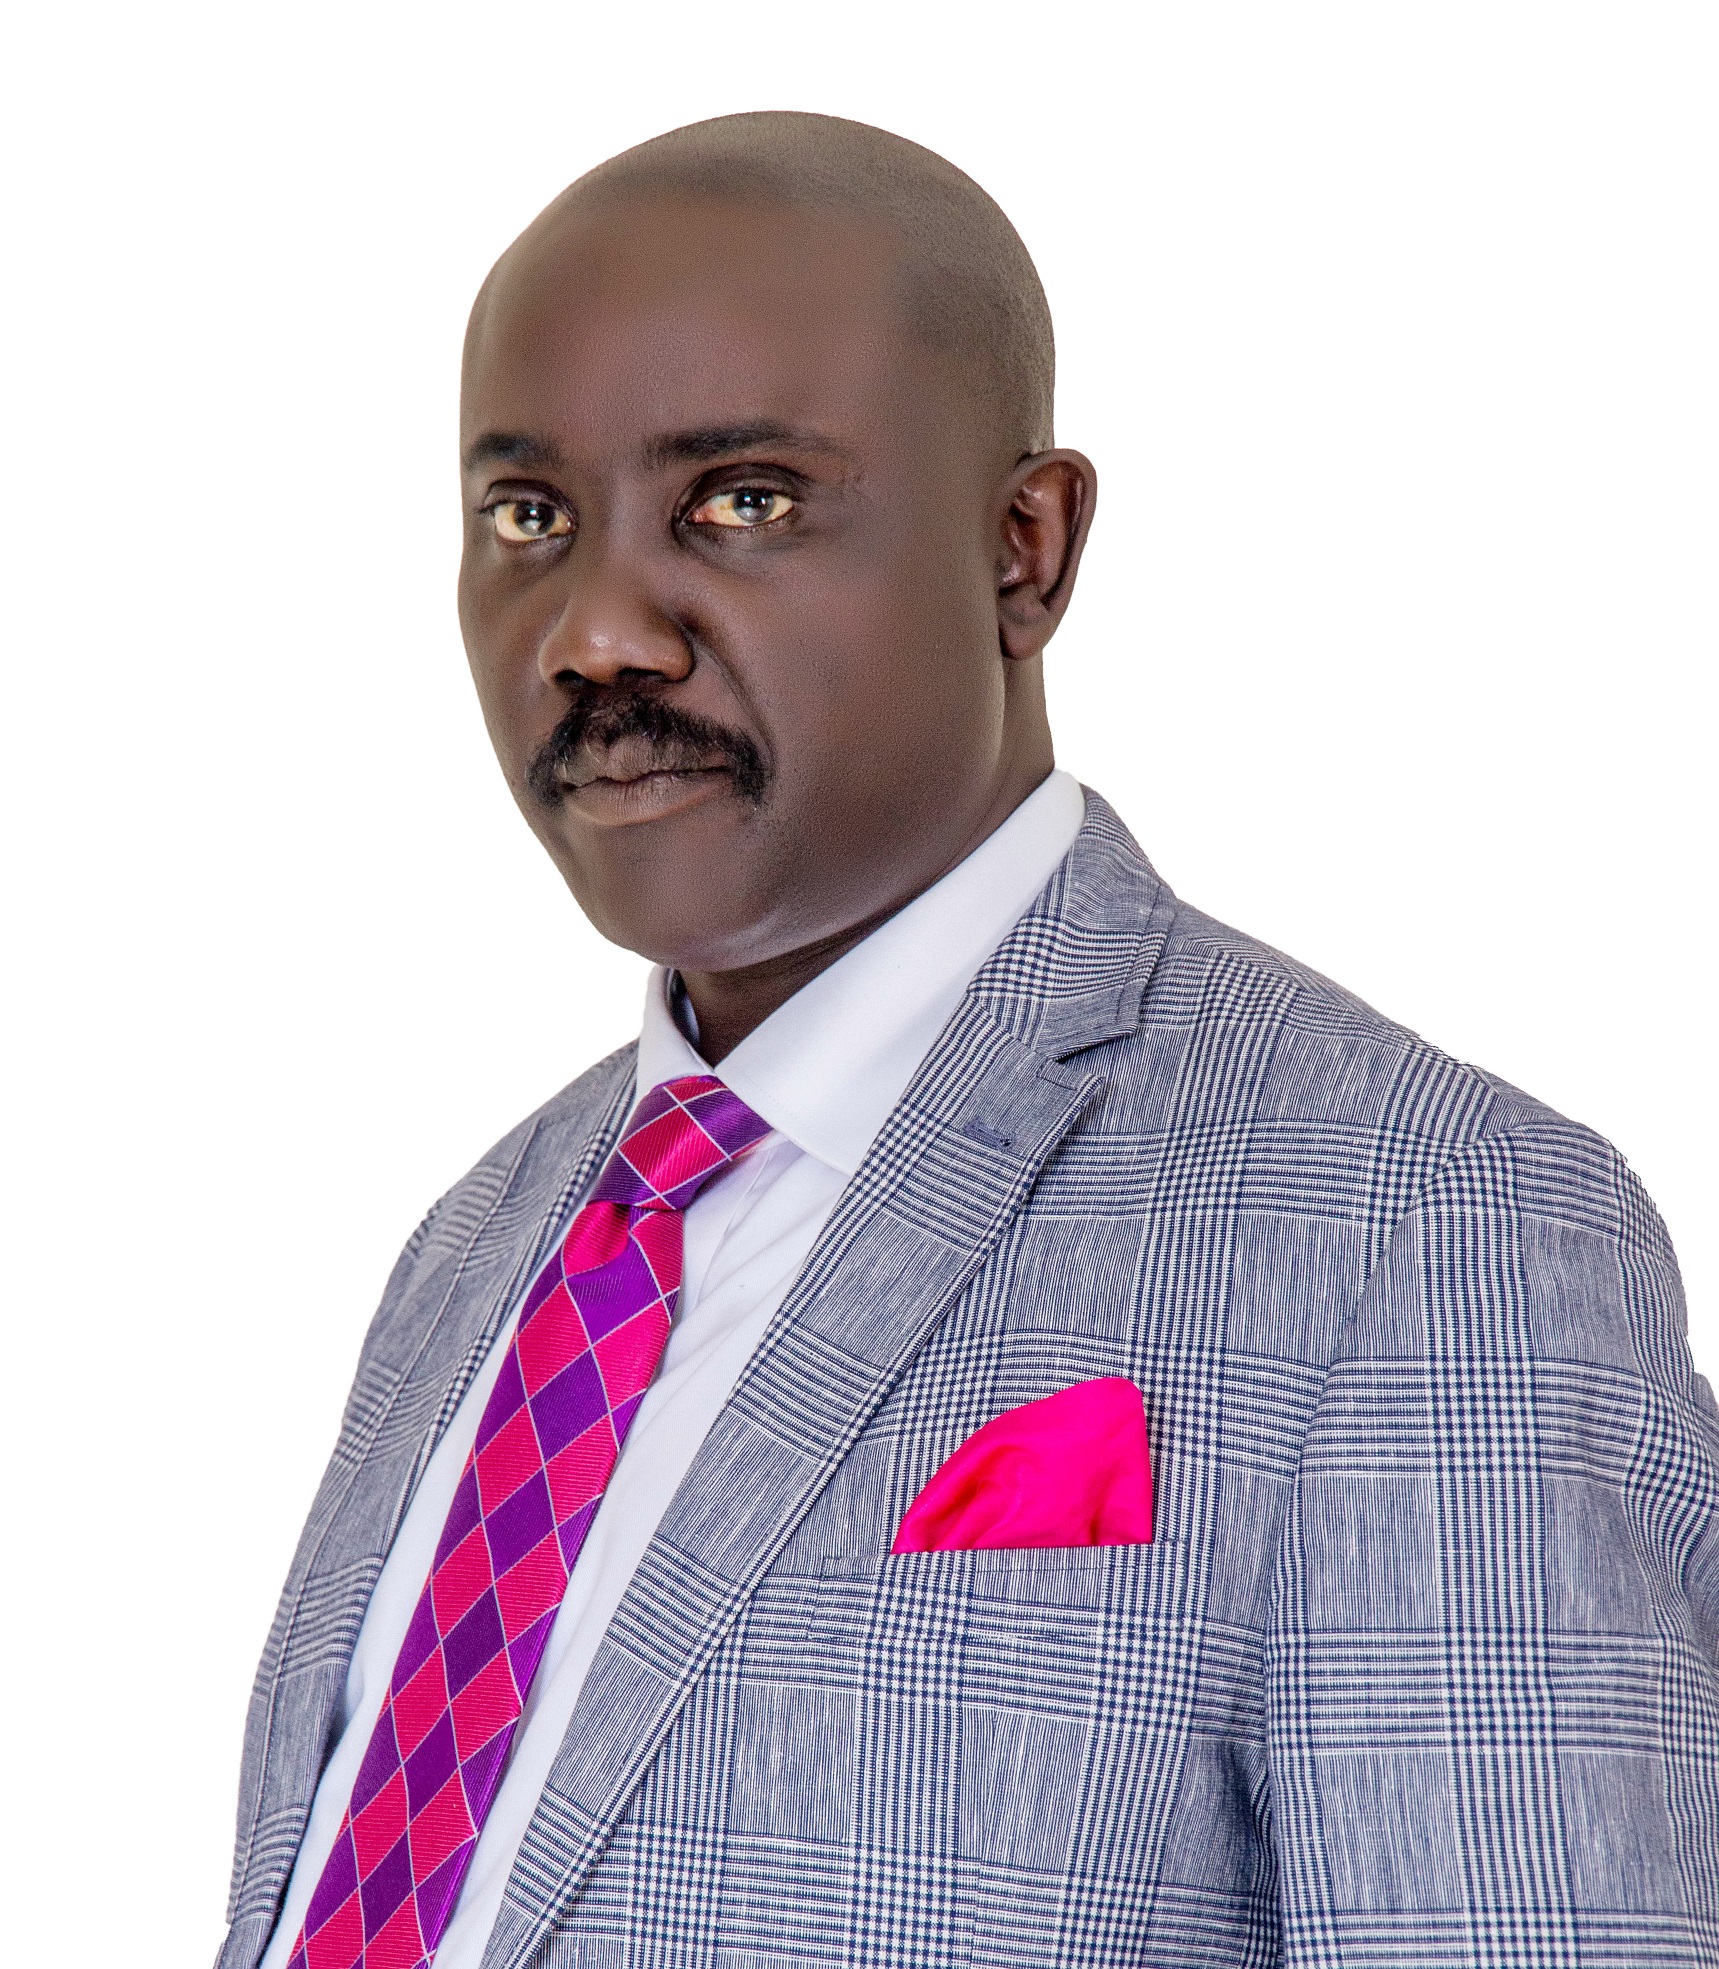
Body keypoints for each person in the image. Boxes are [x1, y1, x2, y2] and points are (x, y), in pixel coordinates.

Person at [218, 112, 1719, 1969]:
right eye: (530, 517)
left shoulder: (1428, 1231)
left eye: (743, 500)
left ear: (1028, 550)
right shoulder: (480, 1248)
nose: (596, 633)